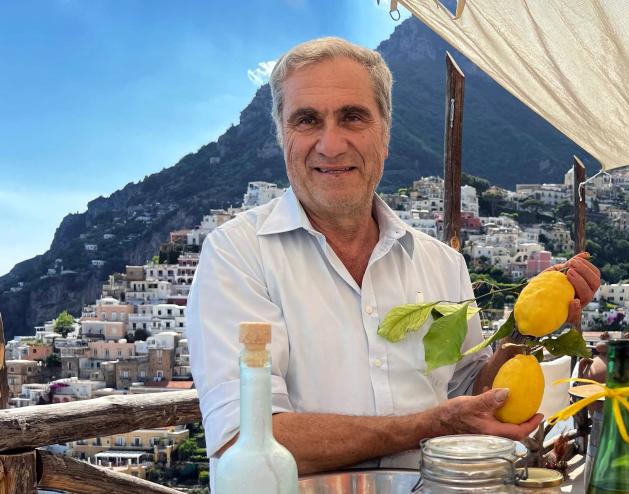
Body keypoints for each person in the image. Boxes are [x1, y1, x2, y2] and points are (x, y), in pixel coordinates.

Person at [186, 37, 600, 471]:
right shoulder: (237, 254)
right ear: (281, 134)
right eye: (307, 120)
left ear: (385, 132)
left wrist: (529, 327)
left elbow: (470, 392)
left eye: (353, 117)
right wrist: (431, 425)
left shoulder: (442, 262)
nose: (330, 144)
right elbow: (246, 439)